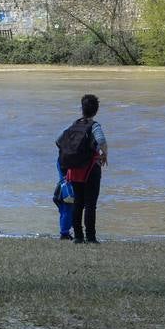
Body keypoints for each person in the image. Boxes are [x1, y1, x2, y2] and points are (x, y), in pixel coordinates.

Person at [58, 94, 108, 244]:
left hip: (74, 169)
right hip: (91, 169)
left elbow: (59, 141)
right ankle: (91, 237)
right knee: (90, 204)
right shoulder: (95, 126)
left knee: (78, 202)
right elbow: (102, 141)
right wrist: (104, 155)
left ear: (82, 109)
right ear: (96, 110)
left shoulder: (73, 125)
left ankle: (78, 236)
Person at [52, 161, 74, 240]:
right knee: (67, 210)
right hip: (67, 189)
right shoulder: (69, 157)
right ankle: (64, 233)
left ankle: (65, 232)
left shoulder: (62, 157)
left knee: (64, 211)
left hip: (62, 188)